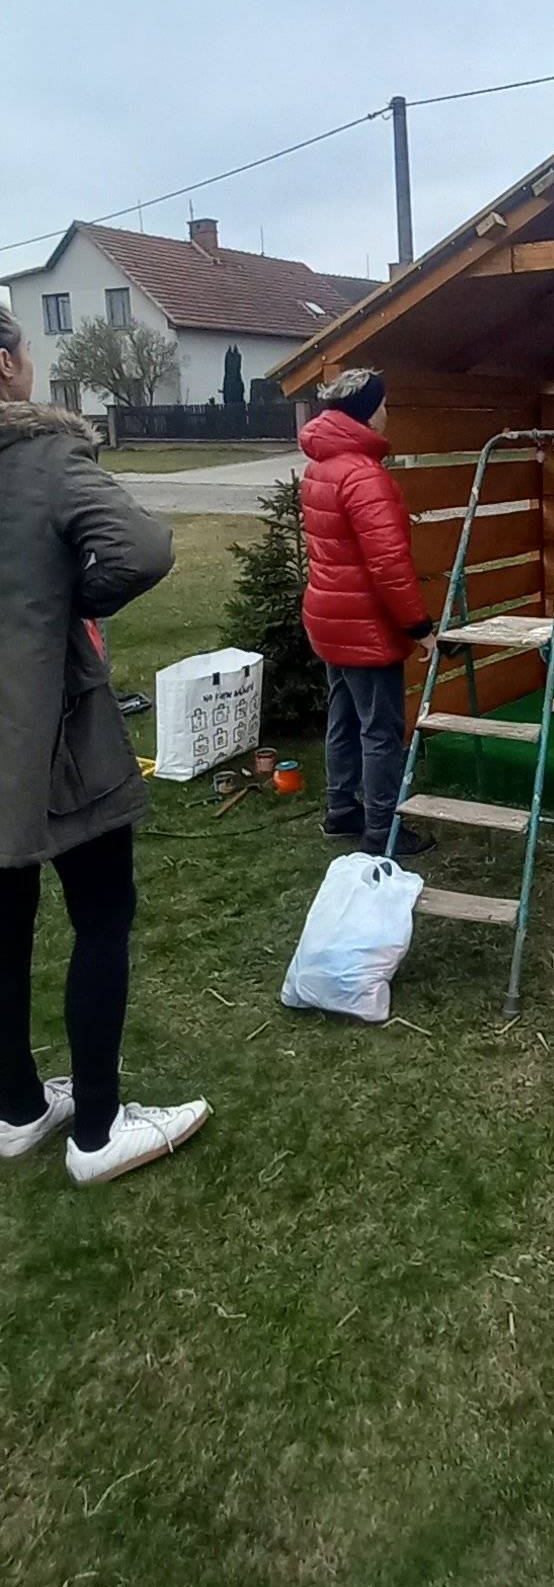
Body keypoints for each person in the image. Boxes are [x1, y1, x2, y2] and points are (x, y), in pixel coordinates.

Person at [0, 307, 211, 1185]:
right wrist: (76, 598)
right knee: (102, 916)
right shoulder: (41, 456)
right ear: (5, 365)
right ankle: (95, 1132)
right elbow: (143, 548)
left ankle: (16, 1108)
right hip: (51, 738)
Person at [299, 369, 437, 856]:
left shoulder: (321, 465)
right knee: (380, 730)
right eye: (383, 404)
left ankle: (341, 810)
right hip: (364, 624)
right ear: (367, 411)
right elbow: (389, 564)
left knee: (343, 716)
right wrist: (419, 627)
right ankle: (382, 830)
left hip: (328, 616)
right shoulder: (364, 475)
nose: (386, 413)